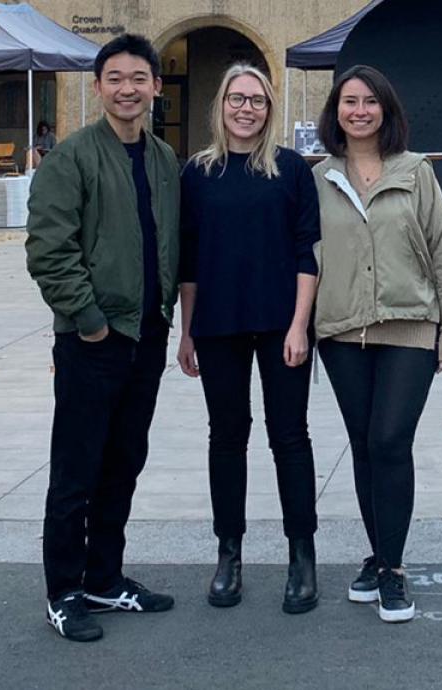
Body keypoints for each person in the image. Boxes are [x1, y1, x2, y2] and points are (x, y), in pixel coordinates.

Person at [24, 33, 181, 643]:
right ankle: (63, 590)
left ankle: (103, 578)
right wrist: (88, 320)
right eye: (115, 78)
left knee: (124, 462)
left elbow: (170, 243)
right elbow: (49, 250)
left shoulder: (164, 160)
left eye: (138, 78)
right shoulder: (72, 159)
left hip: (147, 337)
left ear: (155, 88)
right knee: (77, 468)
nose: (127, 89)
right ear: (97, 88)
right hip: (94, 340)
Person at [310, 65, 442, 624]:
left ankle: (394, 570)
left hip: (409, 327)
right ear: (336, 112)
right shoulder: (319, 177)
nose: (359, 111)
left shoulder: (416, 173)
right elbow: (304, 260)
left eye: (370, 101)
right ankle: (378, 557)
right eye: (349, 101)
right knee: (363, 444)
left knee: (390, 440)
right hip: (341, 332)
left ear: (386, 110)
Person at [175, 64, 323, 614]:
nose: (246, 108)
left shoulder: (289, 170)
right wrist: (187, 331)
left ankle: (301, 556)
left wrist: (299, 325)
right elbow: (189, 259)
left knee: (290, 438)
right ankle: (228, 554)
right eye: (236, 98)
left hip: (281, 325)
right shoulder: (197, 173)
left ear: (269, 108)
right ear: (221, 105)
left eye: (257, 100)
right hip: (217, 326)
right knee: (226, 438)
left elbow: (308, 251)